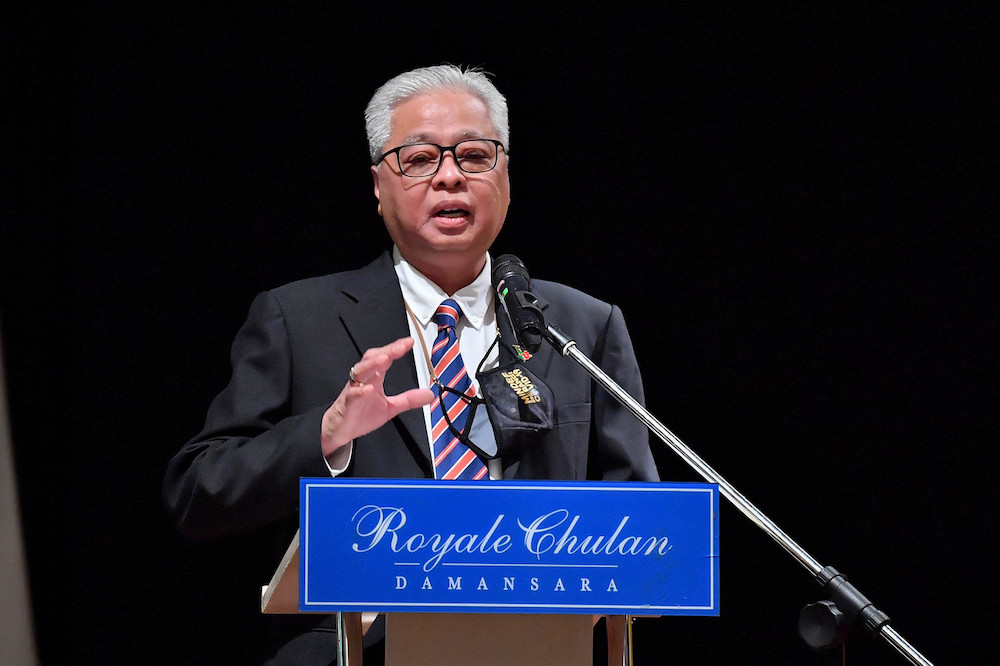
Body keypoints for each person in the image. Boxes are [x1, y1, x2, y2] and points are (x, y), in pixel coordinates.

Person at [163, 64, 658, 665]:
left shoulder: (579, 328)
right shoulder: (299, 319)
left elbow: (639, 521)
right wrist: (327, 433)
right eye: (420, 159)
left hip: (541, 646)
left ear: (505, 176)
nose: (450, 177)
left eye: (474, 156)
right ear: (378, 184)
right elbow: (198, 493)